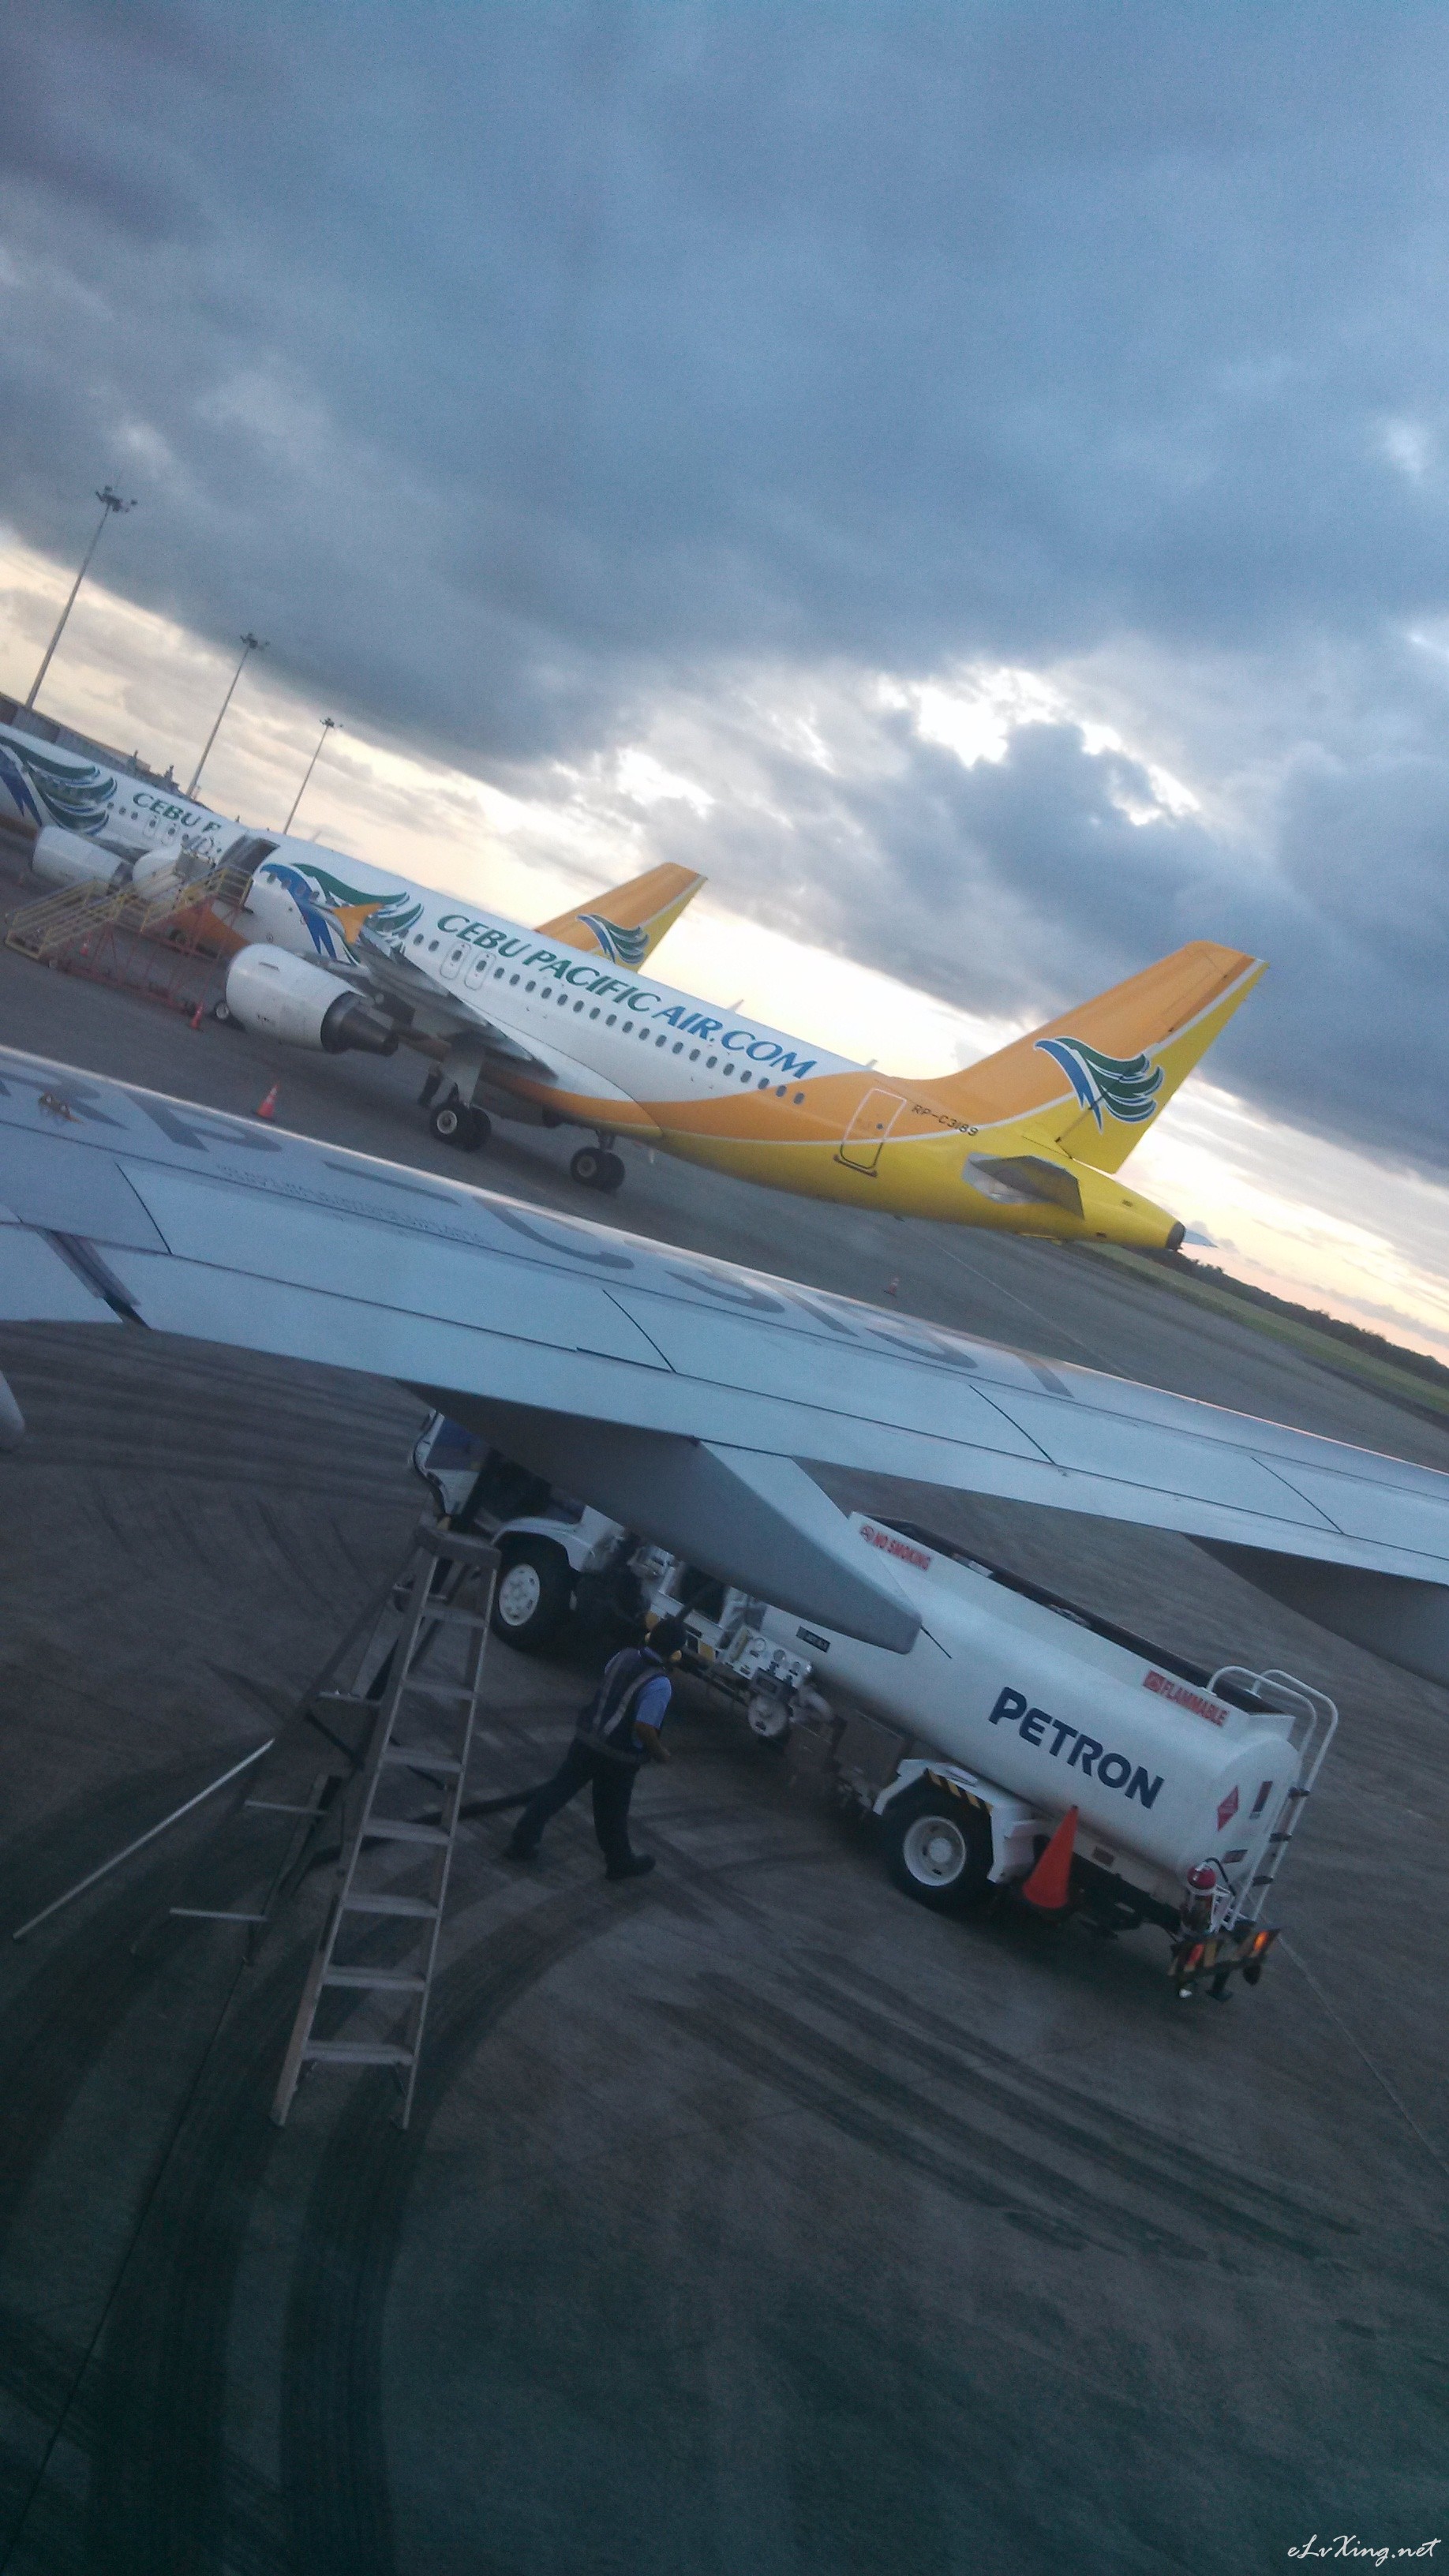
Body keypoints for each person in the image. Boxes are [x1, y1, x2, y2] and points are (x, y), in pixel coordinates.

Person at [504, 1618, 689, 1881]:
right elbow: (644, 1728)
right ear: (674, 1653)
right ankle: (619, 1861)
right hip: (618, 1757)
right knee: (612, 1812)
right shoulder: (660, 1684)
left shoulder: (623, 1656)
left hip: (587, 1739)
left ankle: (522, 1841)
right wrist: (660, 1753)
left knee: (557, 1791)